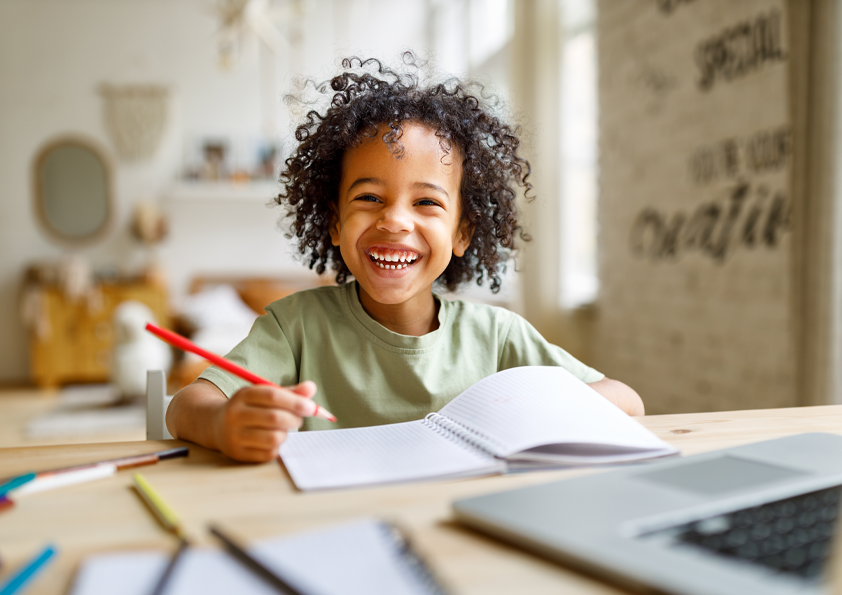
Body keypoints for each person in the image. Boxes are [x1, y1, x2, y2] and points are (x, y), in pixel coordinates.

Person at [166, 55, 643, 463]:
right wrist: (224, 422)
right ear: (334, 223)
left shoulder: (499, 337)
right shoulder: (296, 327)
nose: (394, 221)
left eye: (427, 203)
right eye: (370, 197)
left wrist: (528, 411)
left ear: (462, 233)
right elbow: (186, 405)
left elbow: (627, 403)